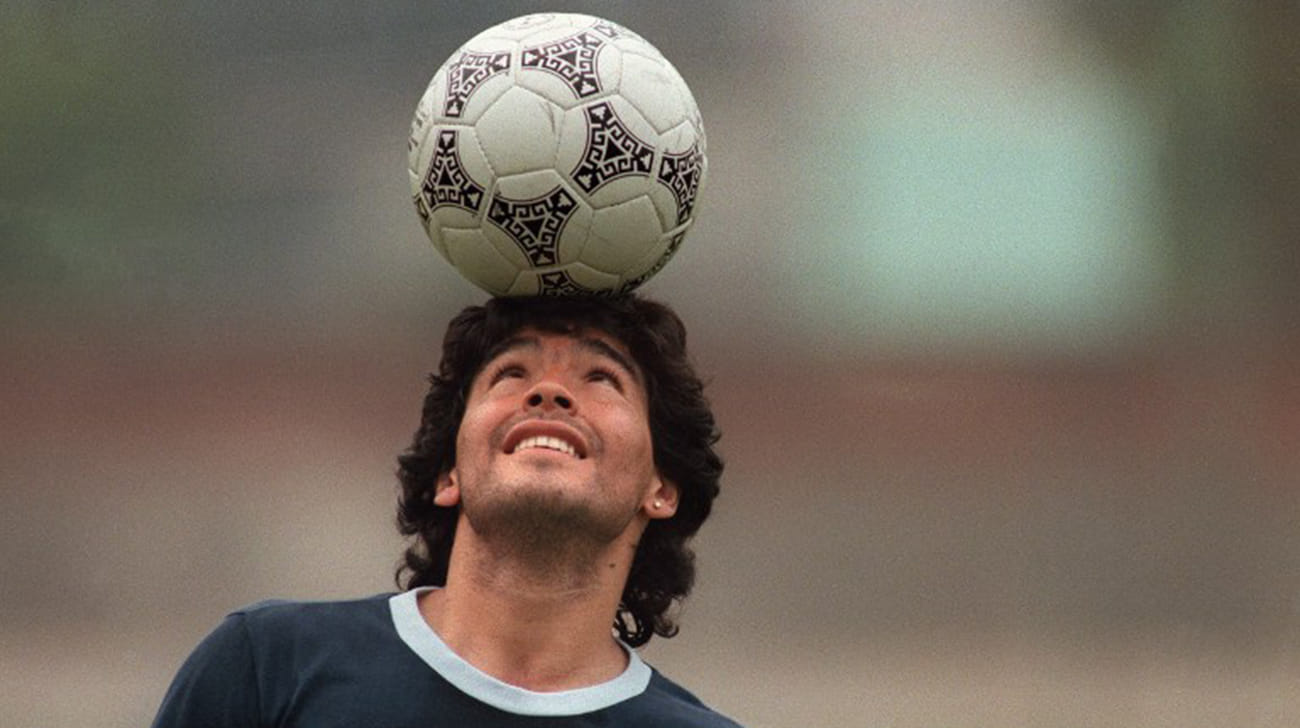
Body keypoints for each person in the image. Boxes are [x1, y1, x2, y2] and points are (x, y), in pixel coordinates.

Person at [151, 294, 740, 727]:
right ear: (447, 473)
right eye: (512, 373)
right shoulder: (267, 667)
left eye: (602, 378)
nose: (550, 392)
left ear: (662, 488)